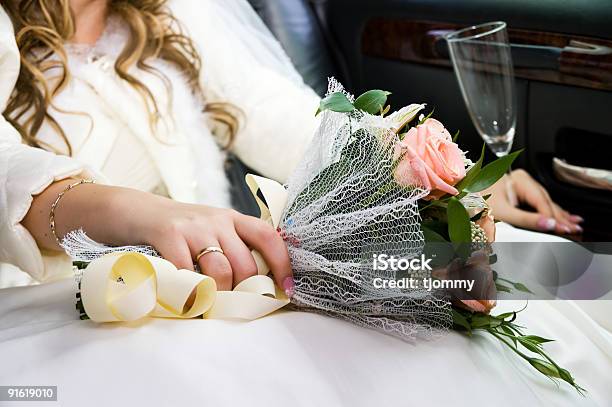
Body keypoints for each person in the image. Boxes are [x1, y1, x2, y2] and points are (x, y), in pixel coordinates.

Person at [0, 0, 583, 290]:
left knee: (521, 278)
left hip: (226, 288)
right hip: (68, 304)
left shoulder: (174, 12)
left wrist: (429, 174)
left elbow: (278, 116)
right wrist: (123, 209)